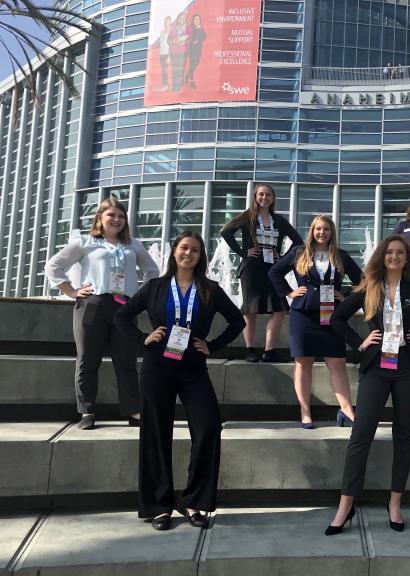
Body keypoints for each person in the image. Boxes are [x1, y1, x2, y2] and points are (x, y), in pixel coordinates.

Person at [114, 232, 245, 531]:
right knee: (155, 433)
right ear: (174, 252)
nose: (189, 254)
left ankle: (195, 502)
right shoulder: (155, 287)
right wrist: (142, 339)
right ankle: (159, 507)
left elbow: (238, 320)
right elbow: (122, 315)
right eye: (184, 248)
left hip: (193, 369)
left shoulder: (209, 289)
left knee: (208, 425)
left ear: (201, 257)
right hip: (158, 366)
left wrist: (212, 345)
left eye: (195, 250)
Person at [325, 235, 410, 535]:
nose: (394, 257)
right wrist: (360, 343)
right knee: (361, 435)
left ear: (407, 257)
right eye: (389, 253)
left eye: (400, 253)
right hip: (377, 369)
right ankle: (345, 506)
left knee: (403, 435)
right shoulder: (369, 286)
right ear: (382, 257)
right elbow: (337, 319)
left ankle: (394, 503)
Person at [45, 198, 159, 430]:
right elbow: (53, 266)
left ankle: (134, 412)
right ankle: (87, 411)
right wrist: (72, 291)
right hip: (93, 305)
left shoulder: (133, 245)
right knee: (88, 360)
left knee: (126, 361)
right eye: (111, 215)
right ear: (100, 218)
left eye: (121, 215)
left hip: (124, 308)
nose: (116, 219)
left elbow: (152, 270)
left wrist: (139, 296)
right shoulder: (85, 242)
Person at [269, 215, 362, 429]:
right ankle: (305, 411)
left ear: (332, 232)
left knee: (337, 362)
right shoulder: (298, 252)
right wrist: (289, 293)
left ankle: (347, 410)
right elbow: (274, 272)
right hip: (303, 315)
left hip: (332, 315)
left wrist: (344, 294)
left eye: (327, 229)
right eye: (318, 229)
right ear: (312, 231)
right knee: (303, 363)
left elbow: (362, 280)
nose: (322, 233)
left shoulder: (340, 256)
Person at [221, 183, 302, 362]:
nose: (264, 198)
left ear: (273, 199)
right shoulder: (247, 217)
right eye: (261, 195)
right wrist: (243, 252)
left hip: (273, 269)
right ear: (255, 197)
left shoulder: (279, 220)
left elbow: (298, 241)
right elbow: (226, 232)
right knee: (251, 309)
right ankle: (249, 350)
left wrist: (282, 258)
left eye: (268, 195)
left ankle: (269, 351)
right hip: (251, 268)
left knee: (280, 308)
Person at [168, 12, 190, 92]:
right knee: (174, 69)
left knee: (180, 69)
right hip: (174, 51)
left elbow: (190, 39)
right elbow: (168, 40)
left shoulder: (188, 28)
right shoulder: (173, 28)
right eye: (180, 18)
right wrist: (173, 41)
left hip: (183, 52)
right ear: (178, 19)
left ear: (185, 19)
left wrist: (184, 41)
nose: (182, 19)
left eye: (183, 18)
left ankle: (179, 87)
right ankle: (175, 87)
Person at [186, 14, 206, 89]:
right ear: (193, 21)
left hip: (199, 49)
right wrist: (193, 41)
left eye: (198, 19)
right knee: (192, 64)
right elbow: (189, 38)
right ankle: (191, 81)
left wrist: (198, 40)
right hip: (192, 49)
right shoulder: (192, 28)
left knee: (196, 64)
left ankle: (187, 75)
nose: (197, 21)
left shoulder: (200, 27)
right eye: (195, 19)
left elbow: (204, 35)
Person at [158, 16, 172, 91]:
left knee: (165, 69)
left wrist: (169, 56)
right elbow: (161, 43)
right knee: (163, 69)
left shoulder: (171, 31)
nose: (166, 23)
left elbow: (171, 44)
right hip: (161, 53)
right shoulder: (162, 31)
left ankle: (166, 85)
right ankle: (164, 83)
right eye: (165, 21)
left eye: (168, 21)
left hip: (167, 52)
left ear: (170, 22)